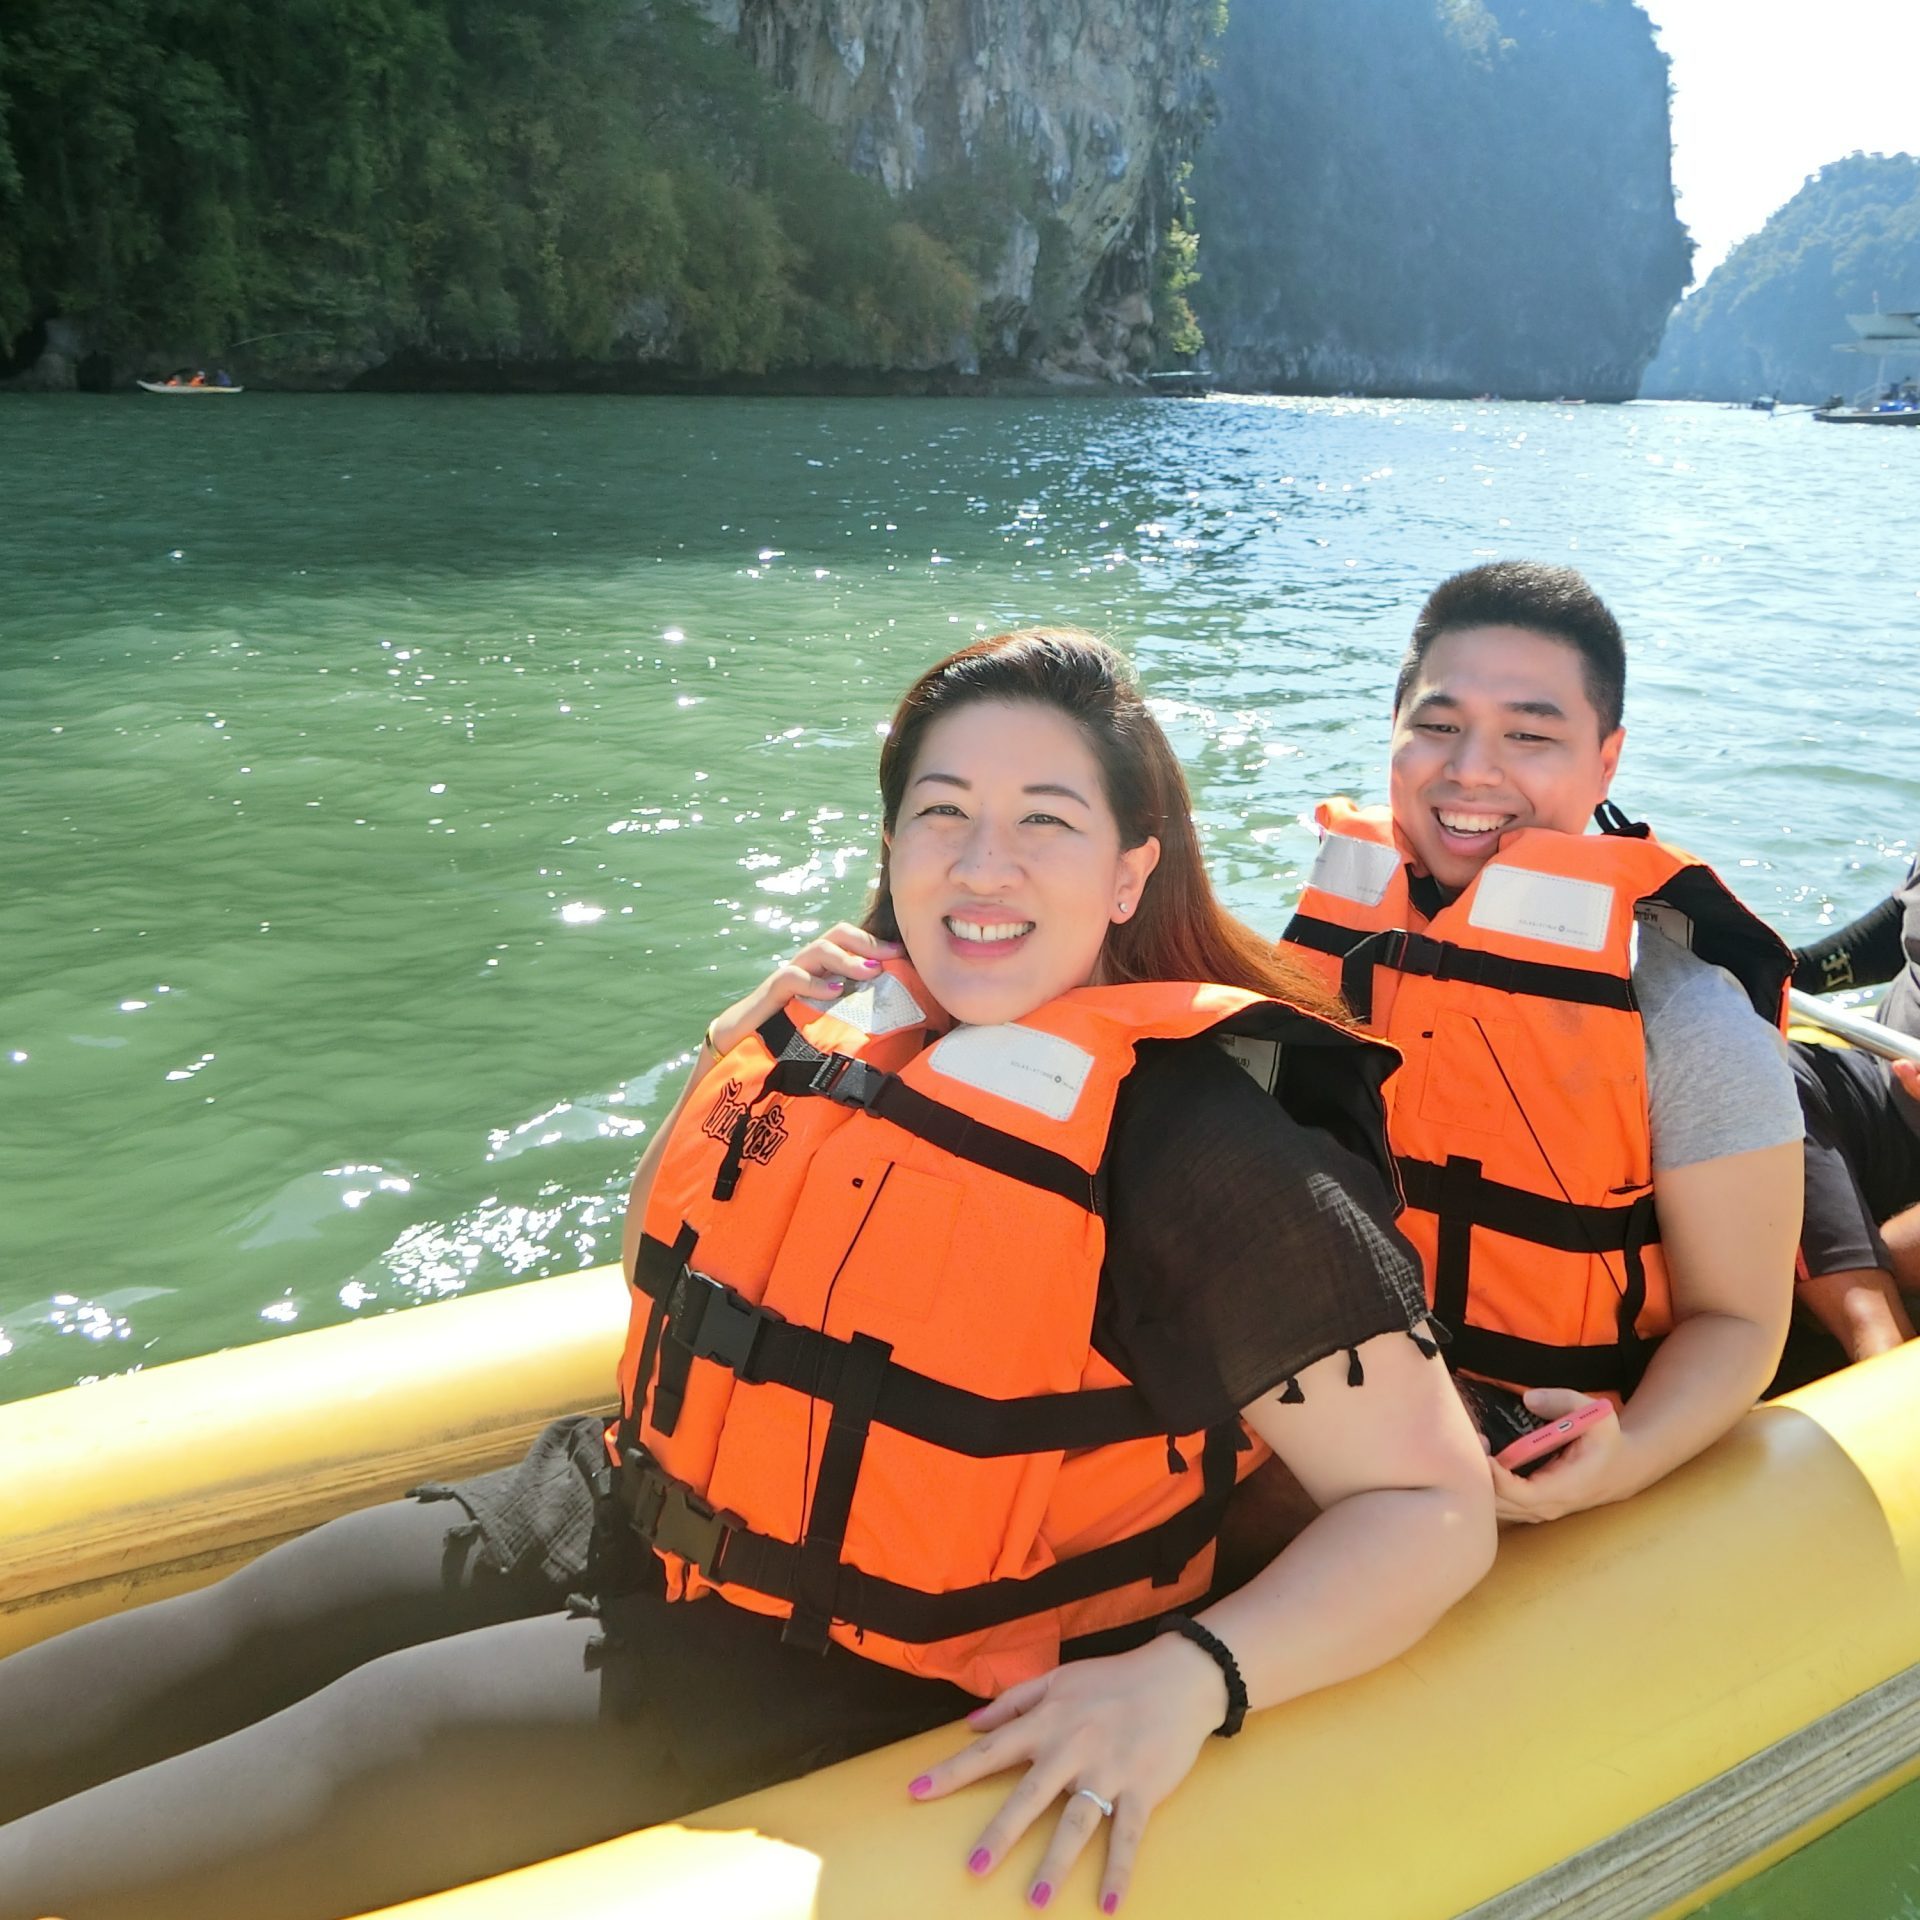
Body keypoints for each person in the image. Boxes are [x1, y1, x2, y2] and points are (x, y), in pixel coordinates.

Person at [0, 629, 1494, 1920]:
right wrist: (747, 1058)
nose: (981, 866)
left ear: (1131, 871)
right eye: (940, 815)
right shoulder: (848, 1032)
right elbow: (716, 1271)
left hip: (841, 1663)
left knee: (373, 1734)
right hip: (608, 1507)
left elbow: (1431, 1504)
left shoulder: (1197, 1143)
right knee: (255, 1622)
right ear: (893, 843)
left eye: (1044, 821)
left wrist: (1192, 1681)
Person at [1278, 562, 1804, 1527]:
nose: (1471, 768)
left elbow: (1741, 1320)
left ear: (1606, 762)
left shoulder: (1689, 1022)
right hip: (1342, 1415)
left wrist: (1627, 1459)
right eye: (1438, 726)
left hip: (1551, 1429)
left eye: (1530, 734)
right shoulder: (1327, 948)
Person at [1782, 857, 1920, 1368]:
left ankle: (1876, 1352)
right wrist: (1778, 969)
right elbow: (1901, 930)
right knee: (1770, 1071)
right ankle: (1858, 1296)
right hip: (1887, 1089)